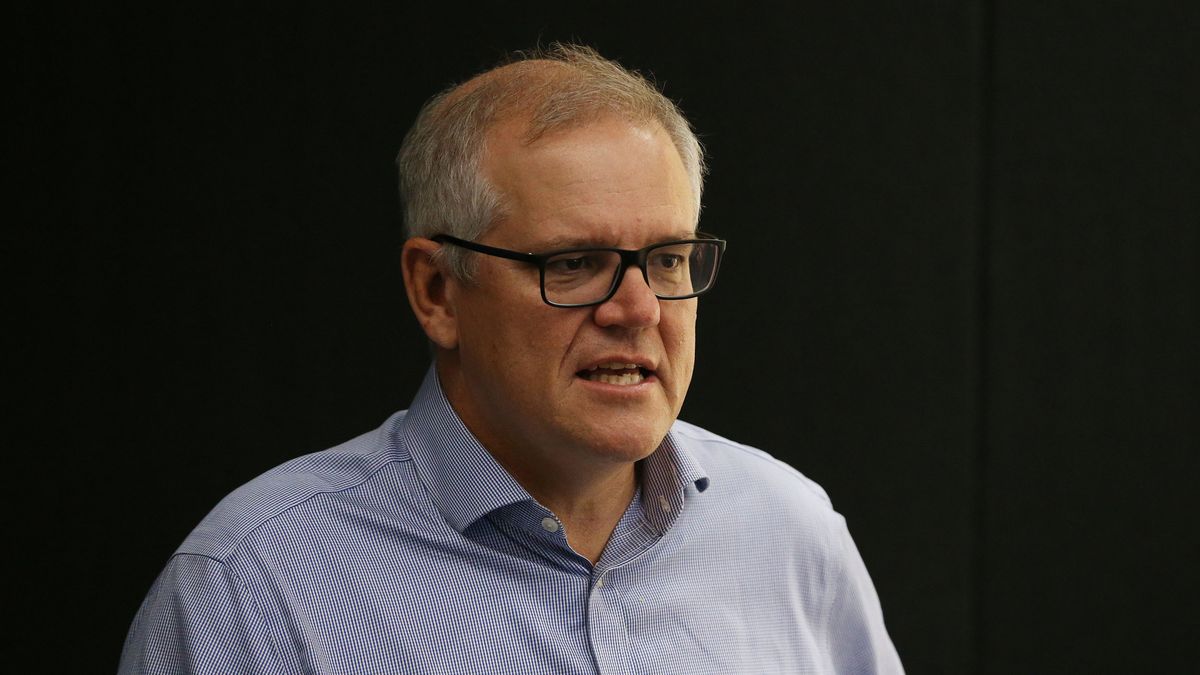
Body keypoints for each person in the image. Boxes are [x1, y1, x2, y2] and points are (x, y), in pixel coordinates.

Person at [119, 44, 903, 674]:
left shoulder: (788, 532)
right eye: (573, 263)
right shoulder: (254, 590)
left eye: (666, 259)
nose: (635, 309)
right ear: (436, 291)